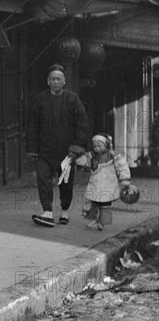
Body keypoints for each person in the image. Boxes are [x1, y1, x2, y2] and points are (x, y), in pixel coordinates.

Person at [26, 63, 88, 227]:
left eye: (58, 79)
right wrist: (32, 150)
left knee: (66, 183)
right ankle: (47, 212)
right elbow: (32, 126)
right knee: (43, 179)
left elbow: (82, 124)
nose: (55, 82)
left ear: (64, 81)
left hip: (66, 152)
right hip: (44, 151)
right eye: (52, 79)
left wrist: (75, 149)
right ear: (48, 81)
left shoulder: (73, 99)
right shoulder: (39, 100)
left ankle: (65, 211)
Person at [76, 134, 131, 230]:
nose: (96, 148)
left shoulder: (114, 156)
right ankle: (93, 219)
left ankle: (102, 222)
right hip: (95, 183)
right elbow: (85, 161)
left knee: (105, 205)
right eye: (95, 146)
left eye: (99, 146)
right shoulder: (92, 156)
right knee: (93, 203)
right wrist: (79, 160)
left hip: (108, 184)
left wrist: (125, 178)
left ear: (107, 145)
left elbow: (122, 166)